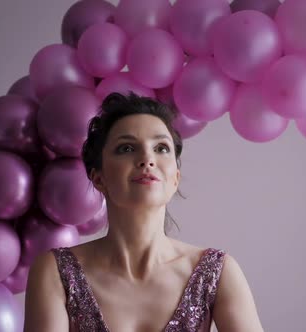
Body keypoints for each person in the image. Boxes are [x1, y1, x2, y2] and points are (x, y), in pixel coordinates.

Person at [24, 92, 263, 332]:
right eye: (126, 148)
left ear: (175, 179)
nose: (147, 159)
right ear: (99, 178)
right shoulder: (55, 271)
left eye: (161, 148)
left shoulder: (217, 272)